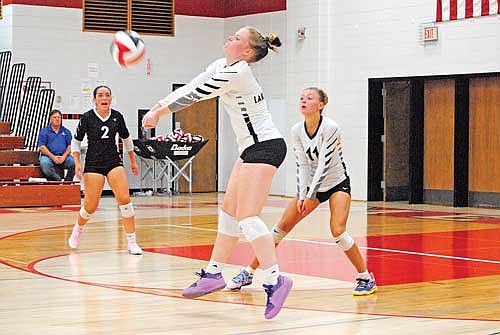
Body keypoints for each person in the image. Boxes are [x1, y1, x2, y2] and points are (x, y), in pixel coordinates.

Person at [142, 26, 292, 319]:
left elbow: (197, 94)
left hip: (266, 147)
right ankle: (213, 273)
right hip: (250, 148)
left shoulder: (238, 73)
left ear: (247, 52)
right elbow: (190, 85)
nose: (230, 39)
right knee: (229, 213)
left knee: (248, 217)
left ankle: (275, 279)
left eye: (236, 38)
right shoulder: (221, 65)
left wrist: (160, 113)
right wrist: (157, 107)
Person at [226, 87, 377, 296]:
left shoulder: (330, 127)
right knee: (281, 227)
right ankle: (248, 272)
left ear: (322, 104)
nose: (303, 101)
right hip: (311, 187)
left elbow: (324, 165)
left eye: (310, 98)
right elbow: (302, 165)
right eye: (301, 98)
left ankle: (365, 277)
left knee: (338, 230)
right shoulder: (297, 129)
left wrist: (309, 195)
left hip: (336, 183)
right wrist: (303, 194)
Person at [68, 85, 142, 255]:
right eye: (100, 95)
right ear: (94, 99)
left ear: (110, 99)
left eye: (107, 95)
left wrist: (132, 161)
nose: (104, 98)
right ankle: (78, 229)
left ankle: (132, 242)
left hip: (113, 161)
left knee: (125, 200)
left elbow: (127, 139)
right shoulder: (87, 118)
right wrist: (78, 163)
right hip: (94, 163)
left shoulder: (117, 117)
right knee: (90, 206)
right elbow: (75, 141)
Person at [37, 109, 75, 181]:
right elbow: (42, 147)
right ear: (50, 119)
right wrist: (53, 157)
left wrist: (63, 157)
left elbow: (70, 146)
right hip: (48, 157)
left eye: (59, 117)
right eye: (55, 117)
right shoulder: (44, 131)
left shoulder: (66, 131)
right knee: (45, 164)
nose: (57, 119)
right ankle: (58, 179)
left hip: (63, 157)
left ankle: (67, 182)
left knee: (74, 162)